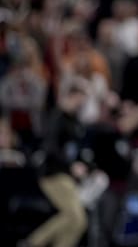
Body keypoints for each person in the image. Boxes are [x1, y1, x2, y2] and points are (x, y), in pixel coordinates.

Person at [19, 77, 91, 247]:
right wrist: (71, 165)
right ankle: (32, 242)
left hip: (68, 176)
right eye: (81, 97)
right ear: (73, 95)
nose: (83, 102)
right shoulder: (57, 117)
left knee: (79, 222)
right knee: (75, 216)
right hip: (53, 174)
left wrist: (85, 165)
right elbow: (51, 148)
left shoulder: (75, 121)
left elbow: (75, 151)